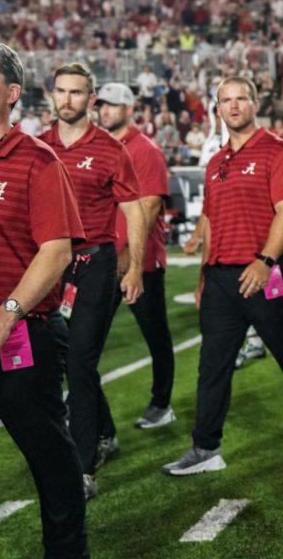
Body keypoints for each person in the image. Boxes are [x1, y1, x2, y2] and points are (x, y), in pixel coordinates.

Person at [162, 75, 283, 475]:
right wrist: (203, 278)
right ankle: (206, 448)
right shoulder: (214, 162)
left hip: (267, 272)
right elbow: (212, 222)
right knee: (212, 364)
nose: (234, 105)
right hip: (221, 279)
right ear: (218, 109)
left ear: (255, 104)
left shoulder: (277, 151)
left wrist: (265, 260)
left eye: (241, 98)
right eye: (226, 100)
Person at [0, 40, 89, 558]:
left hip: (18, 337)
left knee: (53, 468)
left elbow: (56, 251)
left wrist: (3, 316)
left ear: (12, 92)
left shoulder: (38, 160)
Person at [41, 63, 147, 500]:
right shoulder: (35, 146)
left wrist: (135, 266)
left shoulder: (108, 149)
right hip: (49, 268)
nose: (67, 100)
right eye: (61, 92)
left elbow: (134, 210)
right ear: (52, 95)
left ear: (91, 97)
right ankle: (103, 431)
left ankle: (83, 469)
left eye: (77, 92)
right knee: (63, 362)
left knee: (81, 362)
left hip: (95, 265)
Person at [94, 82, 177, 430]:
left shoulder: (145, 149)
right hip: (103, 259)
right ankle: (88, 406)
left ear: (129, 109)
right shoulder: (99, 146)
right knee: (86, 342)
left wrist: (128, 258)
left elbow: (150, 204)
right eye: (101, 105)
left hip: (139, 261)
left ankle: (161, 402)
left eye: (112, 105)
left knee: (155, 333)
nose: (105, 111)